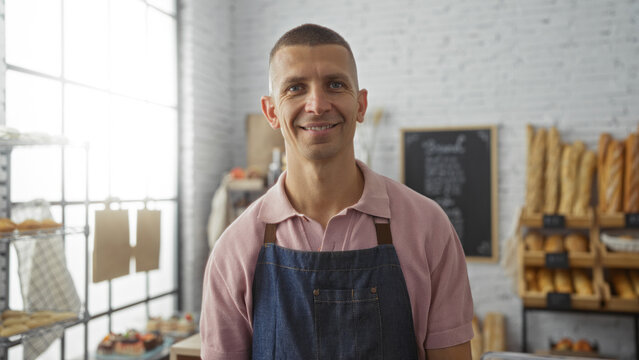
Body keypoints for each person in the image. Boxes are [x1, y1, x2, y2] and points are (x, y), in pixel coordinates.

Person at [200, 23, 474, 360]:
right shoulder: (234, 250)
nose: (317, 104)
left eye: (335, 84)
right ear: (271, 111)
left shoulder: (428, 228)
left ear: (360, 105)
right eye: (295, 88)